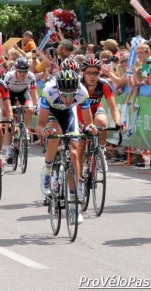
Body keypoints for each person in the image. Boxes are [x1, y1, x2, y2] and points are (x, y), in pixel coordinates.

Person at [36, 66, 97, 225]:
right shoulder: (49, 91)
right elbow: (39, 126)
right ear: (58, 90)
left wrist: (90, 128)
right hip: (50, 113)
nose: (69, 98)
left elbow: (88, 122)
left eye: (72, 95)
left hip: (69, 114)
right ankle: (47, 170)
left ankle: (74, 200)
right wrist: (45, 131)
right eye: (65, 95)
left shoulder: (82, 92)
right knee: (54, 133)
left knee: (75, 152)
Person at [76, 57, 123, 174]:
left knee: (102, 122)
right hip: (79, 112)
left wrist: (118, 122)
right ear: (83, 73)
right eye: (89, 73)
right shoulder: (77, 85)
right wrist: (77, 123)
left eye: (96, 73)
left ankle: (100, 152)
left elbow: (113, 107)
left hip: (96, 109)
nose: (92, 76)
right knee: (80, 148)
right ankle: (78, 181)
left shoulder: (104, 85)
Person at [2, 57, 38, 163]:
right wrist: (7, 109)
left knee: (30, 110)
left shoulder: (31, 76)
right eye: (20, 71)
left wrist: (36, 107)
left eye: (25, 71)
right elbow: (4, 95)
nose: (23, 74)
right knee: (9, 122)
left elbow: (34, 94)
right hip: (10, 94)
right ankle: (8, 151)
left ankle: (24, 129)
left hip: (23, 92)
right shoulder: (9, 76)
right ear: (16, 70)